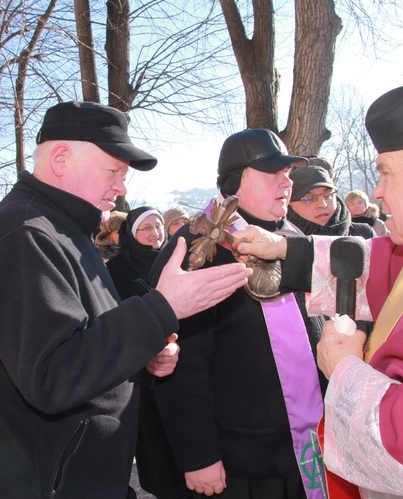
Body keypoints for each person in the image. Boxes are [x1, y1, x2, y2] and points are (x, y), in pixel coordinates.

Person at [232, 53, 403, 498]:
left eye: (385, 172)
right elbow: (391, 266)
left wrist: (345, 371)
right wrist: (286, 248)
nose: (376, 191)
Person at [0, 101, 251, 499]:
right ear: (61, 158)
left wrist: (143, 354)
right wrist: (161, 310)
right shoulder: (24, 234)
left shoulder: (61, 230)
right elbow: (52, 375)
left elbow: (82, 342)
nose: (122, 187)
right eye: (113, 170)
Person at [150, 128, 326, 499]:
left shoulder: (292, 237)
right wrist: (198, 455)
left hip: (312, 450)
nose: (287, 182)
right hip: (240, 466)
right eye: (272, 172)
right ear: (233, 183)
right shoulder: (197, 250)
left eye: (289, 173)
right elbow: (181, 363)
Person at [106, 206, 189, 499]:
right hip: (144, 370)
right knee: (159, 447)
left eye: (157, 226)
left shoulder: (174, 260)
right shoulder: (117, 269)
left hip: (184, 361)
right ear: (131, 233)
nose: (154, 233)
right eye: (146, 228)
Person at [288, 166, 374, 239]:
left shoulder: (364, 234)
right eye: (308, 198)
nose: (322, 204)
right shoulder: (280, 241)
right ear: (289, 203)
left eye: (328, 195)